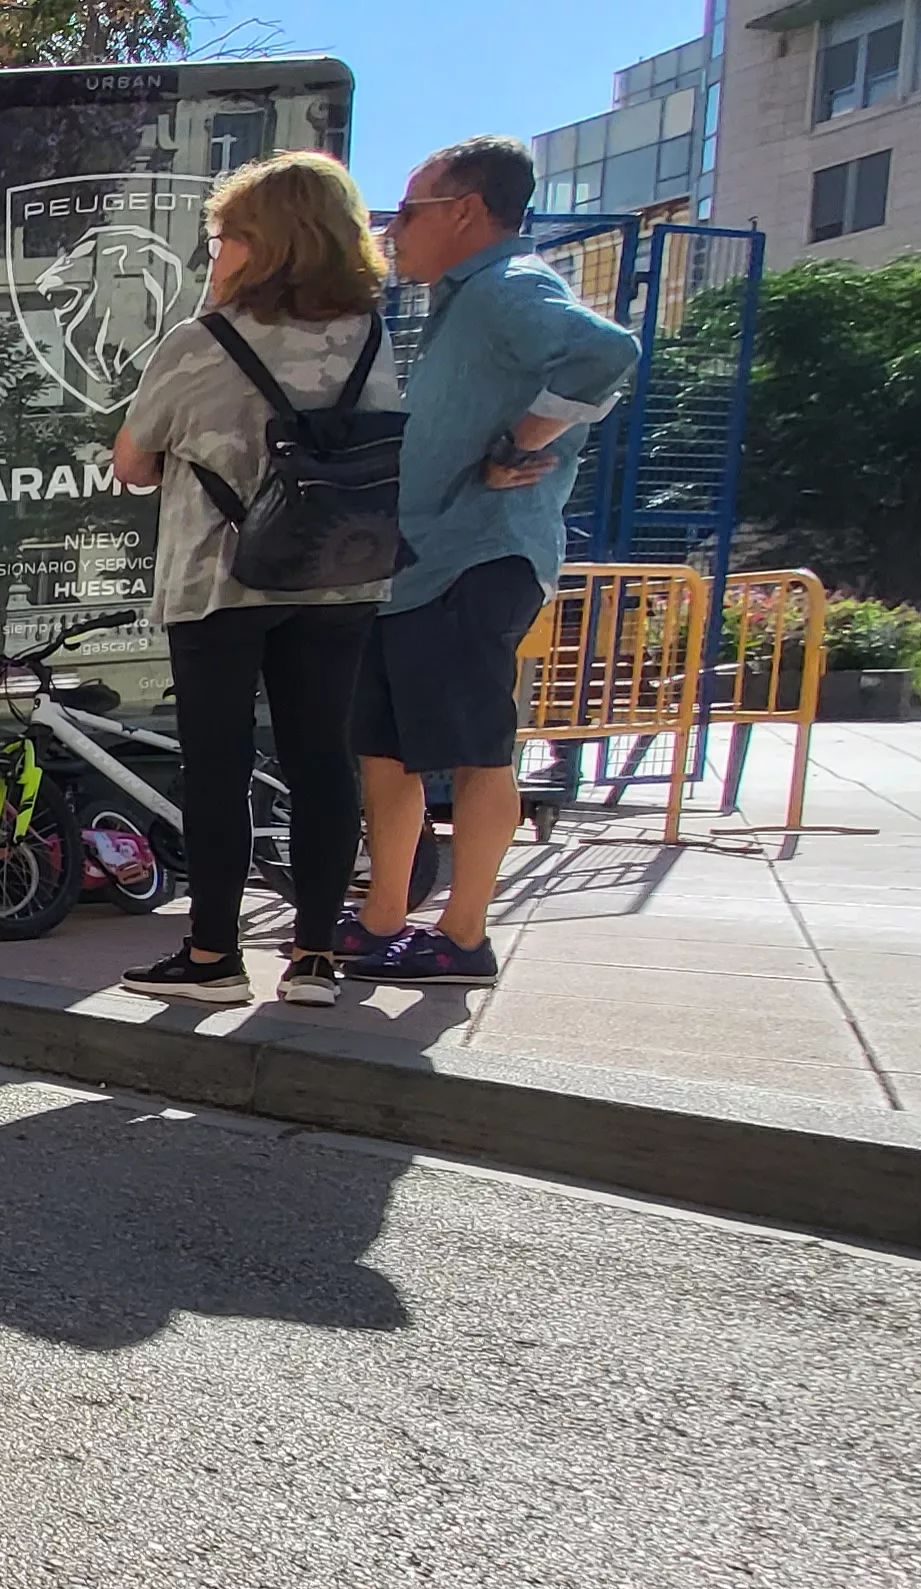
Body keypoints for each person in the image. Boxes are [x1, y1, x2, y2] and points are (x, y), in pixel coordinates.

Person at [110, 149, 402, 1009]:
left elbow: (133, 460)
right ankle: (313, 956)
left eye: (223, 235)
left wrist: (212, 310)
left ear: (262, 244)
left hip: (220, 579)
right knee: (321, 760)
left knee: (218, 764)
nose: (213, 250)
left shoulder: (201, 344)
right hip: (340, 575)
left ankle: (213, 955)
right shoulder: (373, 339)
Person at [349, 135, 642, 989]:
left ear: (466, 212)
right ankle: (383, 919)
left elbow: (605, 352)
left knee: (480, 751)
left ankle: (465, 936)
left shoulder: (509, 286)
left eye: (409, 212)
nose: (394, 230)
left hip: (480, 555)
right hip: (421, 562)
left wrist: (525, 437)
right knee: (387, 750)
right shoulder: (460, 301)